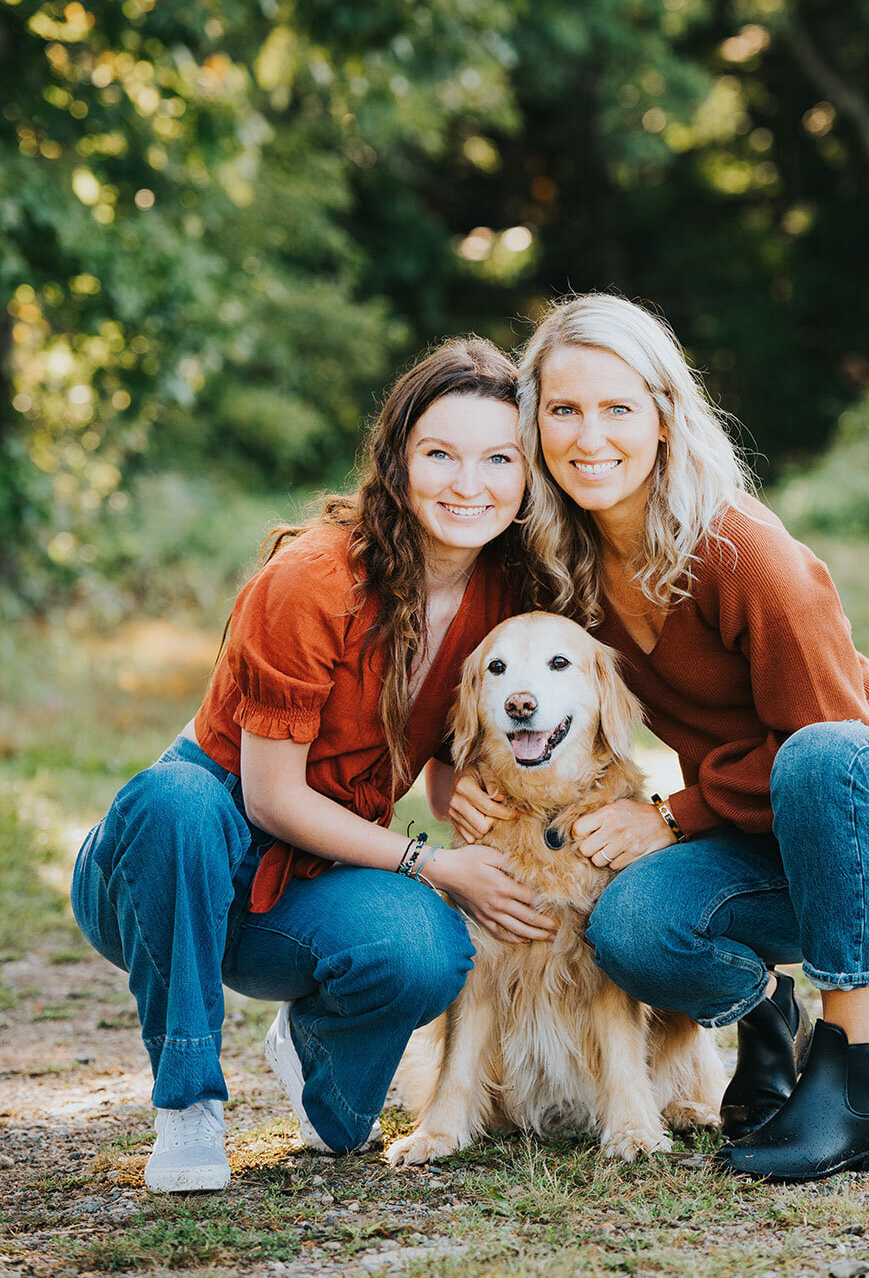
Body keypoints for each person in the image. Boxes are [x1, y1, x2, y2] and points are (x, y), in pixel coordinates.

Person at [449, 294, 869, 1183]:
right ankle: (764, 1013)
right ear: (534, 424)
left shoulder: (742, 552)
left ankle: (847, 1083)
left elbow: (831, 740)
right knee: (630, 928)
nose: (590, 436)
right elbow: (481, 666)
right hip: (758, 832)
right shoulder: (563, 563)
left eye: (618, 408)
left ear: (664, 417)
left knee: (817, 758)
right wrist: (448, 773)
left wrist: (674, 814)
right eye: (564, 410)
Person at [71, 338, 556, 1193]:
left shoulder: (506, 590)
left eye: (498, 459)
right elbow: (269, 796)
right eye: (438, 454)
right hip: (172, 863)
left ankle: (315, 1055)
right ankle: (187, 1102)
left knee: (429, 950)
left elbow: (442, 739)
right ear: (396, 461)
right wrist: (431, 861)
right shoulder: (314, 577)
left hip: (308, 876)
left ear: (527, 477)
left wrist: (459, 788)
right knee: (176, 800)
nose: (466, 483)